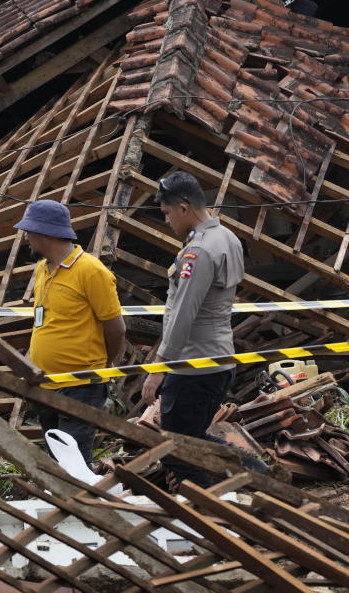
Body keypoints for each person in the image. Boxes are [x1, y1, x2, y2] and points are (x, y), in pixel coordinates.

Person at [142, 172, 244, 487]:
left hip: (193, 366)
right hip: (216, 360)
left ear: (184, 208)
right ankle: (245, 472)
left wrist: (160, 366)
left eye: (168, 213)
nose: (168, 220)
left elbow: (184, 314)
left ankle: (214, 507)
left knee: (176, 450)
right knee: (192, 440)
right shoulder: (228, 237)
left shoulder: (198, 251)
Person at [15, 200, 126, 466]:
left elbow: (116, 328)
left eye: (29, 231)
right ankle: (64, 505)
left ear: (45, 233)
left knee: (72, 463)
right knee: (57, 461)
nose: (26, 237)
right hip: (47, 385)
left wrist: (105, 366)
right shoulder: (42, 269)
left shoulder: (91, 271)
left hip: (80, 386)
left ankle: (77, 505)